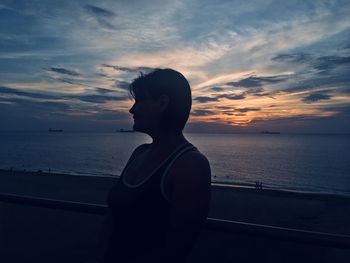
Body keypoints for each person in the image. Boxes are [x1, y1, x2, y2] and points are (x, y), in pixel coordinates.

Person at [100, 68, 211, 263]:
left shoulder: (191, 165)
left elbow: (176, 249)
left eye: (140, 100)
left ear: (162, 103)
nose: (132, 109)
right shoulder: (140, 153)